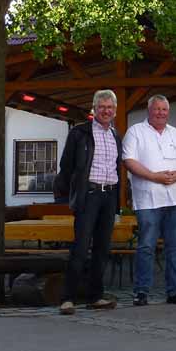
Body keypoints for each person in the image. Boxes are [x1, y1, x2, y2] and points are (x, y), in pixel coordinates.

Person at [123, 94, 176, 307]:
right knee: (146, 247)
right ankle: (141, 291)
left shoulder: (175, 133)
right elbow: (129, 161)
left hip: (175, 198)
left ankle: (175, 291)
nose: (161, 113)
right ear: (149, 110)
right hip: (148, 200)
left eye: (164, 109)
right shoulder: (135, 132)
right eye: (157, 109)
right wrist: (155, 176)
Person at [57, 89, 122, 315]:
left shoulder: (115, 135)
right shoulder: (79, 133)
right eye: (102, 106)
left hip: (109, 195)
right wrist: (68, 197)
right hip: (89, 195)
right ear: (94, 109)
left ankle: (96, 296)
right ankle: (68, 298)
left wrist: (118, 203)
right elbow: (66, 166)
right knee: (81, 247)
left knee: (103, 249)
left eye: (110, 107)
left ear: (115, 111)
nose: (106, 111)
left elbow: (117, 168)